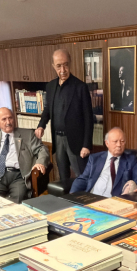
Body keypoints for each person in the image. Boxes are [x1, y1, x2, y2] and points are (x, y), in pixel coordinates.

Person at [35, 49, 94, 190]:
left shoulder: (80, 87)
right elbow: (48, 109)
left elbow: (88, 118)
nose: (63, 70)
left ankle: (85, 201)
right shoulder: (50, 86)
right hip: (58, 139)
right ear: (53, 66)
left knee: (82, 177)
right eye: (58, 66)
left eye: (65, 65)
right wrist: (41, 125)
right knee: (63, 178)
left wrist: (86, 145)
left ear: (70, 63)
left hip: (77, 141)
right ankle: (66, 202)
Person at [0, 108, 49, 203]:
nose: (8, 122)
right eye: (4, 119)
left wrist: (40, 163)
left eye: (10, 118)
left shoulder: (27, 134)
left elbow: (42, 150)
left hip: (19, 175)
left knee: (19, 199)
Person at [70, 127, 137, 197]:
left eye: (122, 141)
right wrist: (71, 197)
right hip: (92, 198)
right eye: (115, 141)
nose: (119, 145)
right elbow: (83, 179)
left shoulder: (130, 160)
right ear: (107, 143)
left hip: (112, 202)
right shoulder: (95, 158)